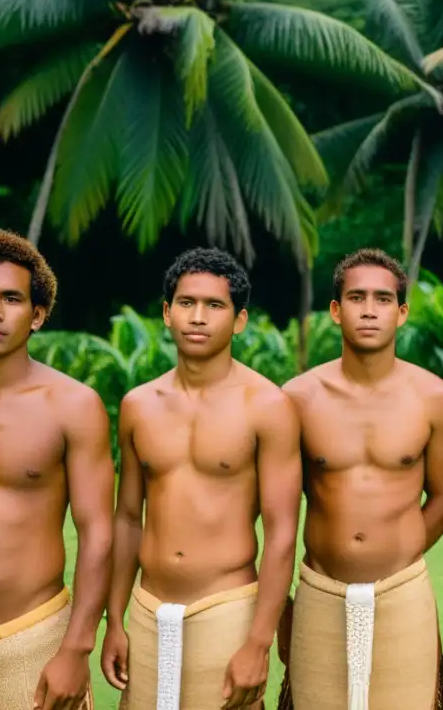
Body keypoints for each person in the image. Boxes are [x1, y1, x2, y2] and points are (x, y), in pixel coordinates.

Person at [101, 248, 302, 710]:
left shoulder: (266, 406)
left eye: (215, 306)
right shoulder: (138, 405)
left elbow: (282, 533)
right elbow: (128, 518)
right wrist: (115, 620)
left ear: (239, 320)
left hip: (228, 608)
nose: (198, 316)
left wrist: (258, 641)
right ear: (167, 313)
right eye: (187, 303)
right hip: (148, 606)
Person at [276, 248, 443, 710]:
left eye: (382, 299)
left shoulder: (431, 395)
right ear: (336, 311)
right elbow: (275, 511)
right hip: (320, 590)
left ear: (401, 313)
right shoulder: (297, 397)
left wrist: (400, 545)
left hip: (403, 590)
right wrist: (282, 609)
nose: (370, 309)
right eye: (357, 297)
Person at [0, 230, 113, 710]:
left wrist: (76, 649)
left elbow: (98, 532)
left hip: (36, 634)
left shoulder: (73, 406)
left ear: (37, 314)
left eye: (11, 299)